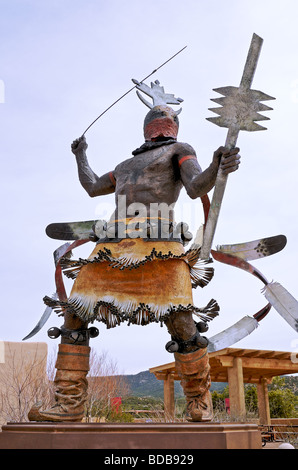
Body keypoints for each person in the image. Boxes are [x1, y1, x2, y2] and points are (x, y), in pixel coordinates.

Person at [28, 81, 240, 422]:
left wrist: (217, 164)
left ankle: (199, 401)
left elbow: (196, 186)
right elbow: (93, 186)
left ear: (173, 124)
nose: (159, 119)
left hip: (161, 246)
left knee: (181, 319)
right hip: (112, 245)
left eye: (165, 115)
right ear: (146, 125)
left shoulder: (180, 150)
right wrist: (81, 154)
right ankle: (69, 402)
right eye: (156, 115)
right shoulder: (125, 165)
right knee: (76, 313)